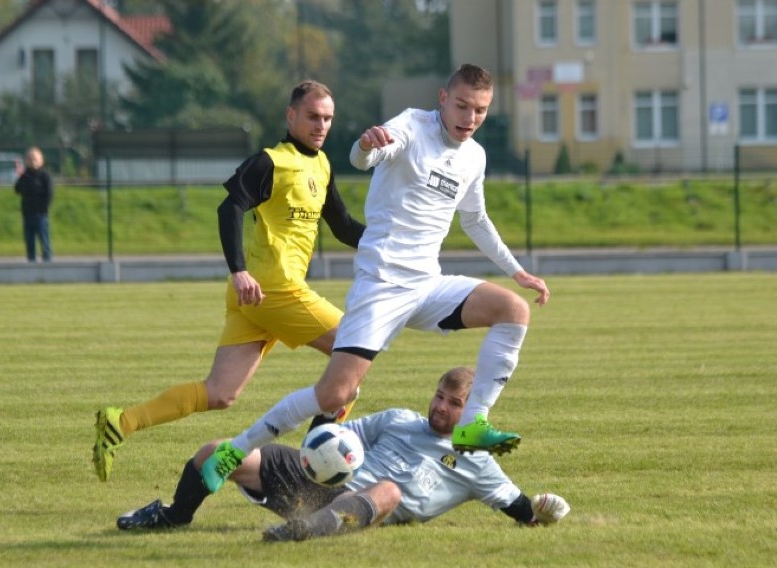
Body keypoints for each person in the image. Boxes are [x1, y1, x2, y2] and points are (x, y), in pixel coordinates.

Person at [202, 63, 551, 492]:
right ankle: (234, 450)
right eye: (462, 106)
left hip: (428, 285)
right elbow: (362, 156)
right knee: (334, 394)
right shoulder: (409, 124)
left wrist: (517, 272)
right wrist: (366, 146)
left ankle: (472, 424)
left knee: (513, 310)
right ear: (443, 99)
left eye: (480, 111)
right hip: (382, 283)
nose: (470, 118)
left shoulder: (474, 156)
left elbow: (476, 219)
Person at [92, 80, 365, 482]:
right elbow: (230, 206)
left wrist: (393, 238)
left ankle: (122, 422)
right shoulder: (272, 161)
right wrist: (237, 270)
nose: (321, 124)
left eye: (327, 118)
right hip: (274, 289)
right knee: (354, 356)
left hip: (258, 296)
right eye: (312, 116)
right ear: (291, 116)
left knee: (220, 393)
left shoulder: (321, 166)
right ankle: (313, 469)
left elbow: (342, 226)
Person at [116, 367, 570, 540]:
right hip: (318, 483)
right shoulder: (398, 418)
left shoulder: (477, 462)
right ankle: (174, 516)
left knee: (389, 490)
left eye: (453, 405)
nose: (440, 407)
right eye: (439, 397)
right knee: (215, 451)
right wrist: (326, 423)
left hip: (364, 506)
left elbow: (522, 509)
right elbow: (333, 438)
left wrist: (546, 509)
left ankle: (301, 532)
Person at [14, 146, 53, 262]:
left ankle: (47, 260)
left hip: (41, 214)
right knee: (29, 239)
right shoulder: (25, 176)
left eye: (35, 159)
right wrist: (22, 177)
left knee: (44, 238)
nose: (33, 162)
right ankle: (31, 260)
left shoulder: (45, 176)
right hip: (28, 213)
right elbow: (17, 189)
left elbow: (49, 193)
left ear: (41, 160)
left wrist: (44, 208)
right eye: (30, 159)